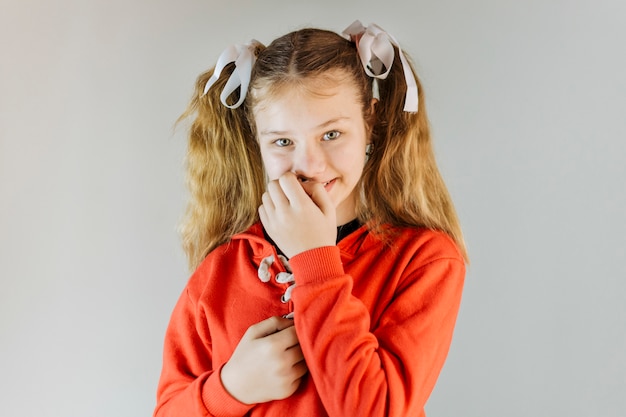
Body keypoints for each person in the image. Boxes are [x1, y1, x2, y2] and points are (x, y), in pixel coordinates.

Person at [153, 20, 468, 417]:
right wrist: (230, 387)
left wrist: (314, 260)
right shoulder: (219, 270)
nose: (310, 165)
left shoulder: (424, 260)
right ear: (258, 141)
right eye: (283, 141)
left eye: (332, 134)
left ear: (369, 123)